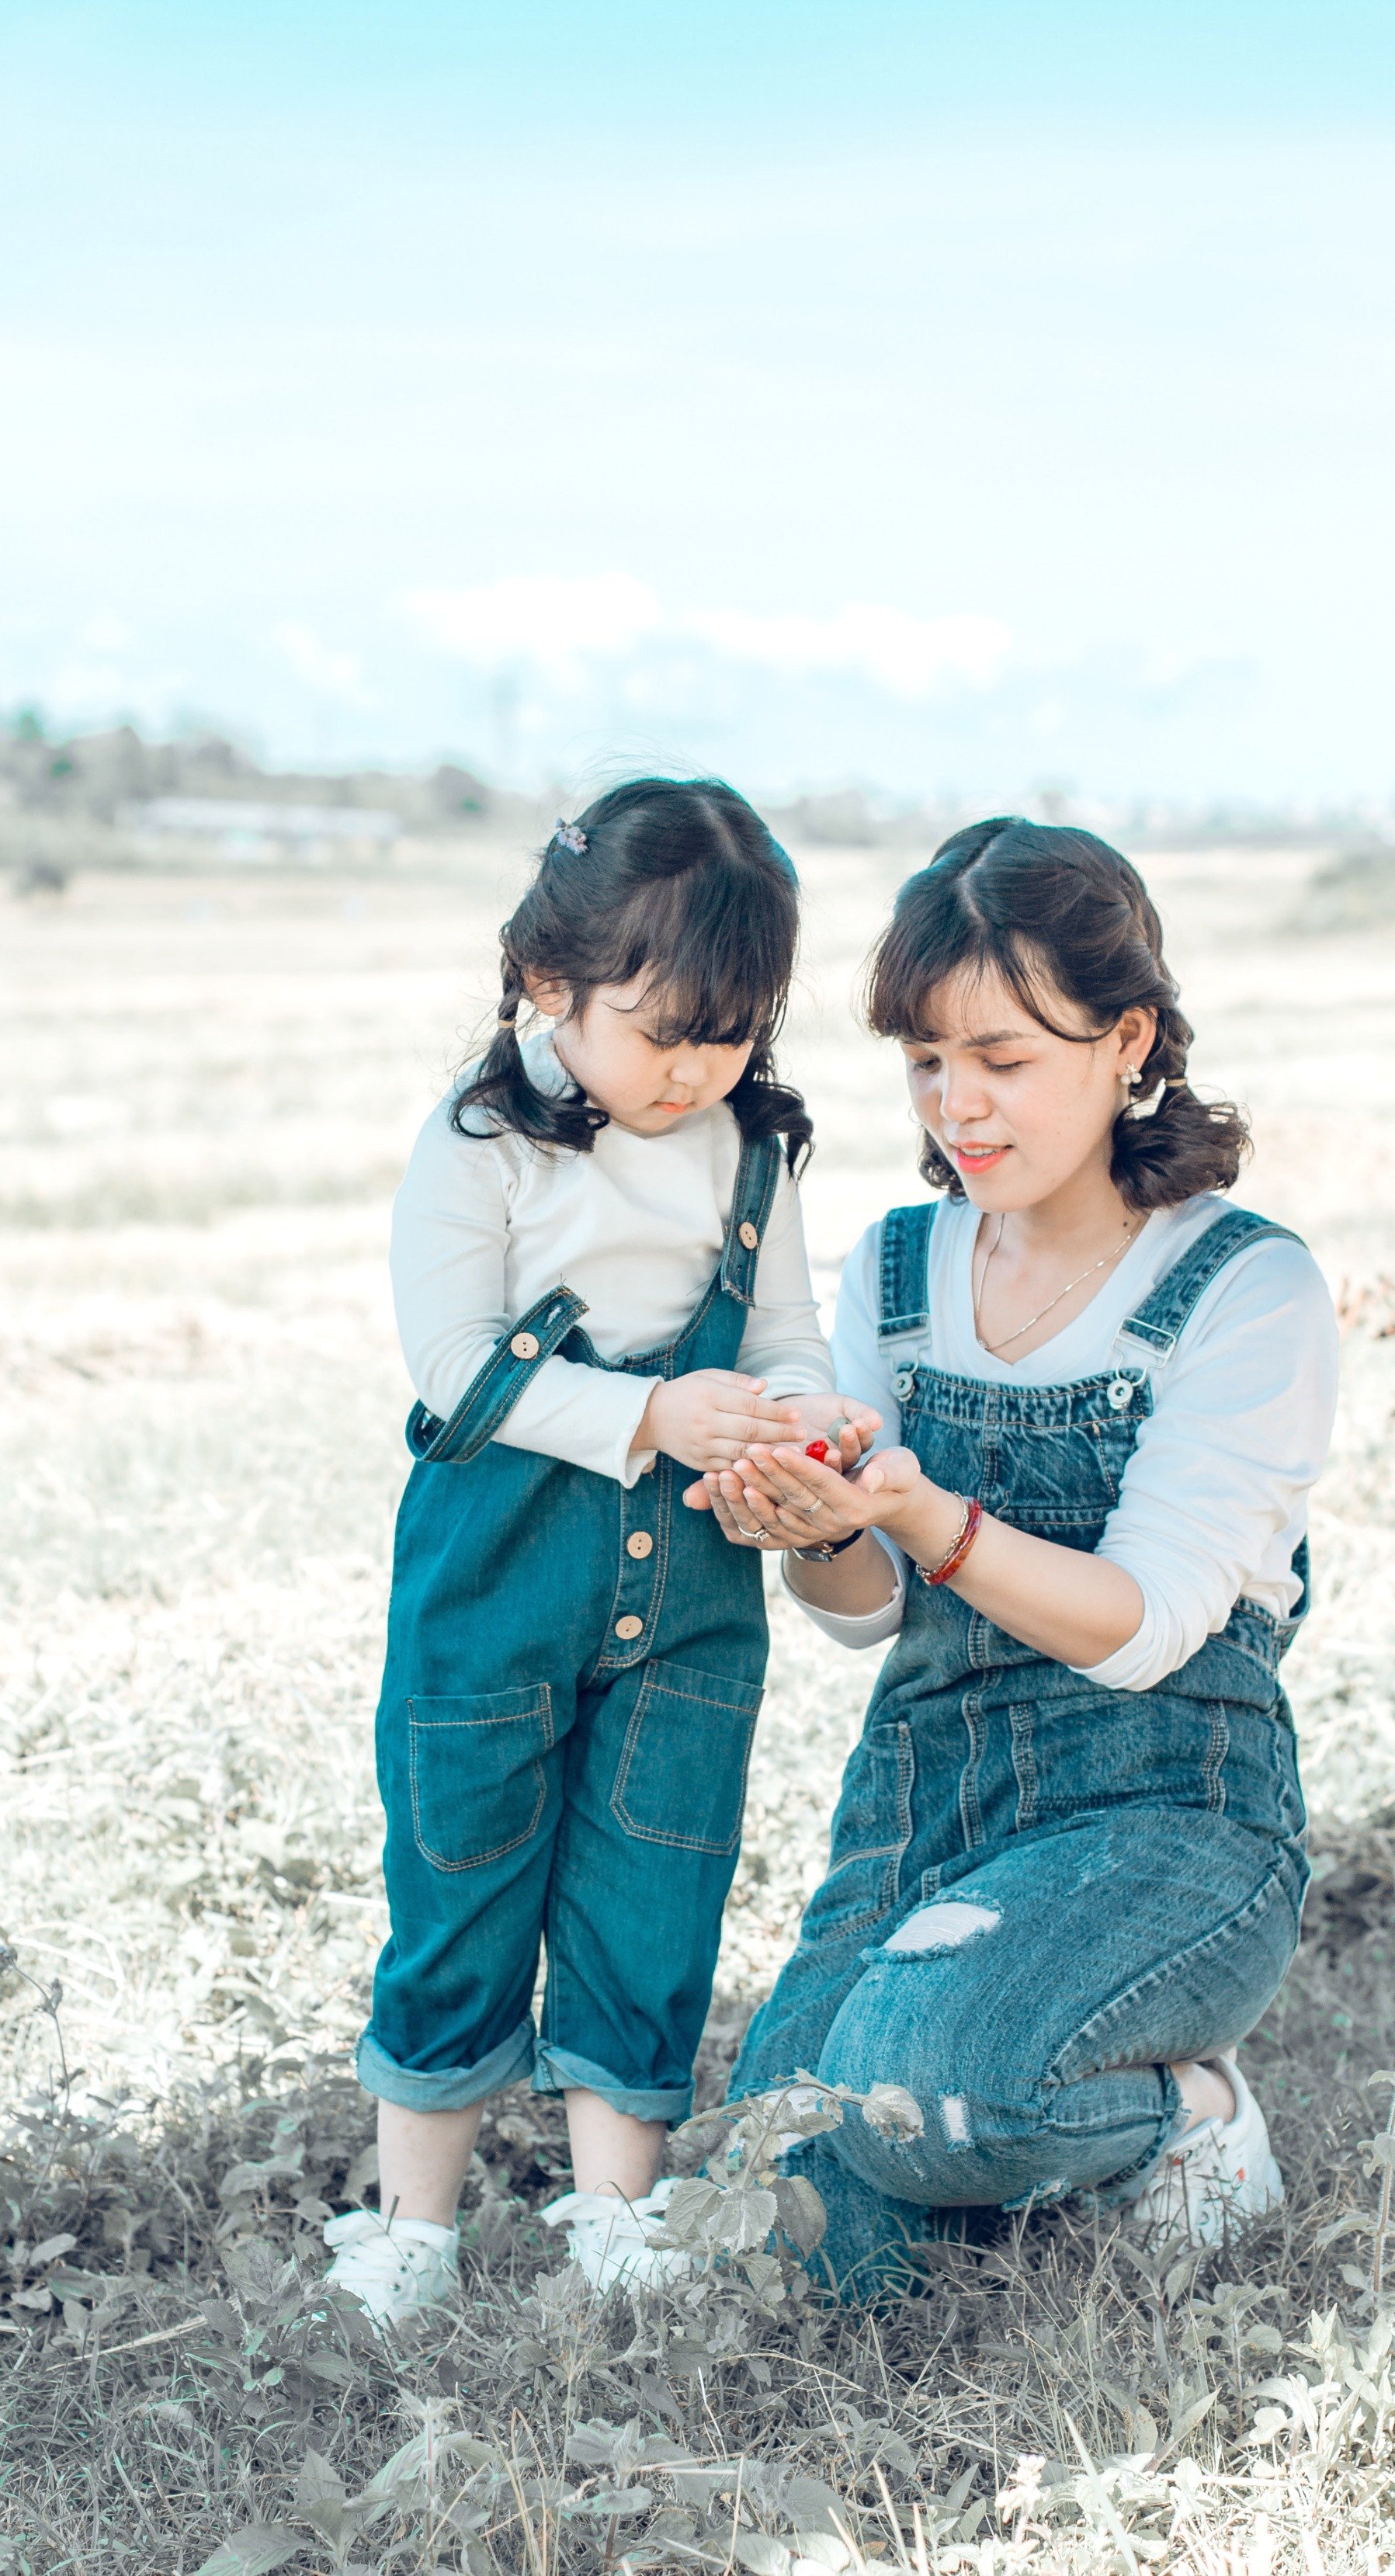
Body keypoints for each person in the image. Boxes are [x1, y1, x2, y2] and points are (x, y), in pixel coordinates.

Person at [689, 817, 1338, 2293]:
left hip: (1170, 1811)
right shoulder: (901, 1270)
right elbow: (860, 1615)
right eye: (926, 1059)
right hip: (926, 1795)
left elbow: (1149, 1625)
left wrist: (927, 1516)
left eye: (1003, 1058)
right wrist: (817, 1525)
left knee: (931, 2105)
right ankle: (1021, 2115)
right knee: (776, 2206)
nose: (956, 1104)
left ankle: (1187, 2108)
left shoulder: (1246, 1287)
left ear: (1129, 1041)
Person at [327, 779, 877, 2323]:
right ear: (549, 983)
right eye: (659, 1028)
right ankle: (411, 2231)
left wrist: (802, 1421)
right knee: (461, 1887)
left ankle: (613, 2222)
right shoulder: (481, 1141)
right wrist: (653, 1417)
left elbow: (783, 1342)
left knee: (655, 1893)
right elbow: (453, 1370)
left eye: (731, 1031)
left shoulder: (750, 1148)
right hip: (495, 1582)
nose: (692, 1065)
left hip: (693, 1598)